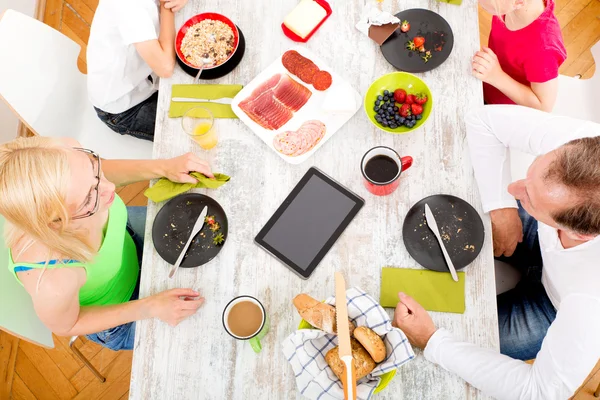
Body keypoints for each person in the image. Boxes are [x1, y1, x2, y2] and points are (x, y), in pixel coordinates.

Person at [393, 105, 600, 399]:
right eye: (530, 174)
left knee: (453, 334)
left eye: (528, 198)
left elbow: (538, 392)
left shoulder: (590, 303)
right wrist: (502, 208)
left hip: (554, 310)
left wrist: (432, 340)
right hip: (541, 239)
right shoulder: (586, 145)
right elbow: (482, 120)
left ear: (580, 233)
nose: (514, 188)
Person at [0, 136, 214, 351]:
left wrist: (164, 167)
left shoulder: (68, 154)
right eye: (87, 199)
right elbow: (69, 325)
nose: (109, 187)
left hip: (127, 242)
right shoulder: (52, 280)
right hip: (123, 314)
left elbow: (92, 178)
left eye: (94, 169)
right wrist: (150, 307)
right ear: (55, 222)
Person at [87, 0, 188, 141]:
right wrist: (167, 6)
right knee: (194, 127)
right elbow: (165, 67)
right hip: (124, 107)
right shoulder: (126, 7)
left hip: (147, 78)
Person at [472, 0, 566, 111]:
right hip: (484, 79)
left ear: (519, 3)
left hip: (500, 108)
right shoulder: (508, 5)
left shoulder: (543, 47)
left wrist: (497, 76)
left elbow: (543, 106)